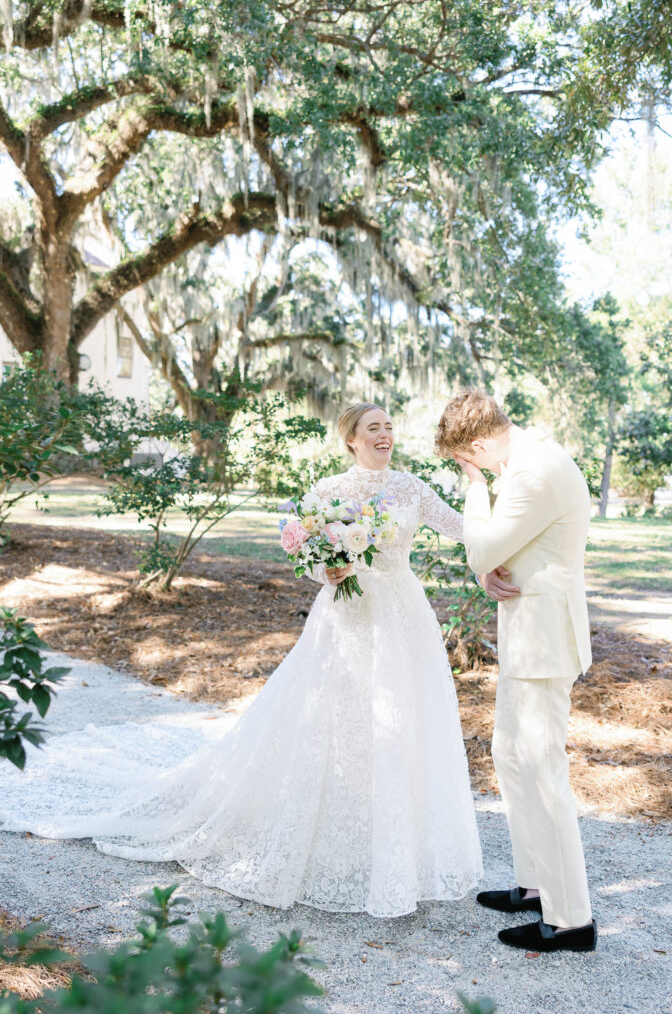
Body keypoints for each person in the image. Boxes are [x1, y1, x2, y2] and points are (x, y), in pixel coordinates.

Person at [0, 403, 482, 918]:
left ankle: (391, 828)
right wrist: (327, 573)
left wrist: (477, 483)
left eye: (389, 426)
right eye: (374, 428)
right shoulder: (326, 491)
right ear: (351, 439)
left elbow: (463, 528)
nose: (385, 435)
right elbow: (305, 552)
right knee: (334, 716)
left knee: (399, 717)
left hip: (402, 615)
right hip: (346, 615)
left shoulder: (411, 488)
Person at [435, 387, 597, 953]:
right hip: (526, 633)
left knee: (542, 768)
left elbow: (481, 548)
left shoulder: (533, 473)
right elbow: (501, 555)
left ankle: (572, 918)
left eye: (469, 461)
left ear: (478, 445)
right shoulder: (528, 461)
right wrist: (487, 572)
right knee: (511, 755)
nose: (474, 471)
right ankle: (536, 886)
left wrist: (475, 489)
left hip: (545, 641)